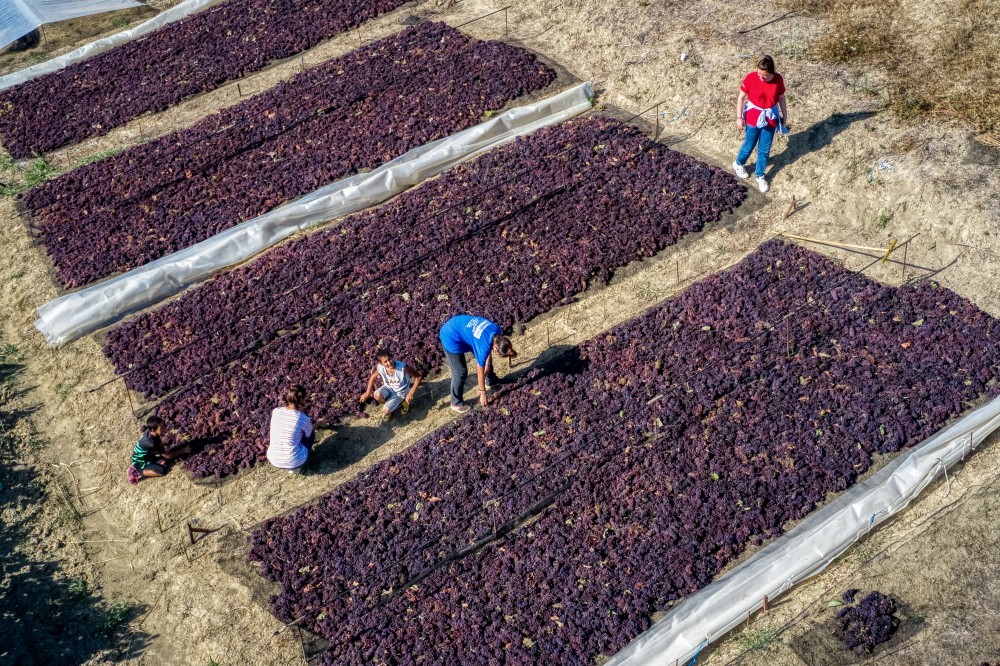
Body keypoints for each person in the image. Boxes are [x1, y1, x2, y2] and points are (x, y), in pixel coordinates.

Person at [733, 54, 790, 194]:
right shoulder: (751, 77)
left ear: (771, 72)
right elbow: (741, 97)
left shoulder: (778, 79)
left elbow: (781, 98)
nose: (760, 77)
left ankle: (760, 176)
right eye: (758, 73)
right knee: (749, 144)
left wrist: (784, 115)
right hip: (753, 116)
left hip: (770, 118)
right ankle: (738, 163)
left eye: (763, 75)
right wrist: (739, 117)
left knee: (764, 149)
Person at [439, 315, 517, 413]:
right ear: (496, 348)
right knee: (460, 372)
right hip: (450, 335)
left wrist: (488, 366)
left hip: (464, 328)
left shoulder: (497, 331)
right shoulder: (483, 347)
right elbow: (480, 371)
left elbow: (488, 353)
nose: (495, 355)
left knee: (485, 358)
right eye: (498, 354)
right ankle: (455, 403)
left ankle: (491, 381)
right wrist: (483, 393)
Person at [267, 385, 328, 473]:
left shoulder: (276, 411)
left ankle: (289, 465)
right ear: (302, 400)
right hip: (295, 460)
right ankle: (295, 467)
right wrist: (318, 423)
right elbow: (309, 432)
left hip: (274, 459)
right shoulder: (301, 418)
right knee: (310, 433)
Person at [359, 349, 423, 421]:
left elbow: (418, 377)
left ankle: (401, 401)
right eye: (385, 362)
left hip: (401, 391)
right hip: (389, 388)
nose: (389, 363)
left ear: (392, 357)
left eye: (390, 359)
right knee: (376, 395)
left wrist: (411, 393)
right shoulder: (380, 368)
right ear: (381, 364)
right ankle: (391, 404)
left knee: (386, 411)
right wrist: (367, 392)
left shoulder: (402, 367)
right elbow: (373, 377)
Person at [126, 415, 189, 483]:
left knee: (165, 463)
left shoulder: (150, 432)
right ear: (153, 430)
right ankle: (136, 472)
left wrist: (162, 449)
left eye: (163, 425)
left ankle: (155, 464)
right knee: (162, 471)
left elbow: (160, 444)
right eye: (161, 427)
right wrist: (184, 450)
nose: (164, 428)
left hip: (147, 457)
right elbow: (167, 456)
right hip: (139, 462)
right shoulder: (151, 443)